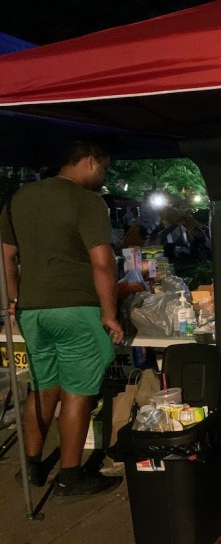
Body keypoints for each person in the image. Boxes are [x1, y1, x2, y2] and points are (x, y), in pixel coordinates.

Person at [0, 138, 124, 498]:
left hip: (32, 310)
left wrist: (14, 300)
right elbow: (102, 261)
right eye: (104, 167)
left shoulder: (19, 200)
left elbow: (6, 257)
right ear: (88, 161)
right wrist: (111, 314)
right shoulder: (86, 201)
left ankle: (32, 466)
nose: (104, 175)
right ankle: (70, 477)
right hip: (77, 309)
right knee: (77, 391)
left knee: (41, 387)